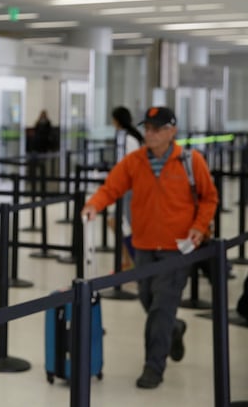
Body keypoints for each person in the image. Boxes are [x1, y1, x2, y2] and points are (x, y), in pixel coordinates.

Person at [80, 106, 218, 389]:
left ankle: (153, 367)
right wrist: (94, 204)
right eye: (148, 128)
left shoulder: (191, 161)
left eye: (157, 129)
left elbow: (209, 198)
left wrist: (199, 226)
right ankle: (174, 328)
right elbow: (112, 187)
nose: (150, 134)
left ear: (171, 131)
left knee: (161, 307)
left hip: (176, 248)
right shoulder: (135, 161)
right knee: (147, 299)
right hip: (143, 244)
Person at [111, 106, 145, 269]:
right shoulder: (125, 136)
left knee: (124, 224)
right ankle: (128, 260)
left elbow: (131, 166)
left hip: (129, 187)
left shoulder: (129, 138)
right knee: (117, 222)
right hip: (124, 186)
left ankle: (134, 260)